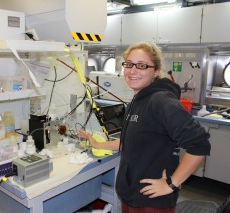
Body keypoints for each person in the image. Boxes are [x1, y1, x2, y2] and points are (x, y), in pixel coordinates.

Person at [78, 41, 211, 213]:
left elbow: (199, 144)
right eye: (129, 64)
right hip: (132, 194)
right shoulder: (138, 100)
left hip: (151, 202)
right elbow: (130, 142)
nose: (133, 71)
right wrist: (97, 144)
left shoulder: (161, 102)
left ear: (155, 71)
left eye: (141, 66)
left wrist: (172, 183)